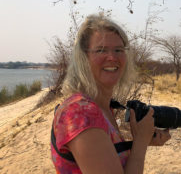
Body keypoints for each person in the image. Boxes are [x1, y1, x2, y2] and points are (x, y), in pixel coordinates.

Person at [51, 14, 171, 174]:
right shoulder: (80, 113)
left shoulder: (103, 107)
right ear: (84, 59)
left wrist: (141, 139)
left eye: (119, 50)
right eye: (101, 50)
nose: (112, 57)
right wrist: (141, 142)